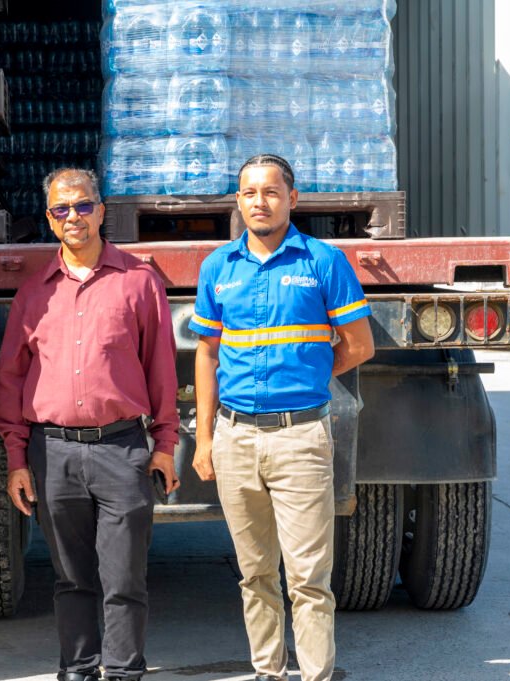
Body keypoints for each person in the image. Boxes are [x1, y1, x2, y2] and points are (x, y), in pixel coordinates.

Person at [189, 155, 375, 681]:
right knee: (255, 575)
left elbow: (360, 345)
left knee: (309, 579)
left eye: (271, 192)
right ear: (238, 201)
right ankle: (267, 672)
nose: (260, 202)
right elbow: (207, 354)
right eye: (249, 193)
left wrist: (309, 375)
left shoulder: (323, 261)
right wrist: (204, 440)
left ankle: (315, 675)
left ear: (292, 199)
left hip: (301, 438)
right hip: (235, 439)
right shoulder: (218, 268)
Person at [0, 167, 180, 681]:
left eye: (82, 205)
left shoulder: (138, 282)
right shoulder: (33, 294)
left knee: (124, 579)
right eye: (61, 209)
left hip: (122, 449)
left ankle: (123, 670)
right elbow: (10, 379)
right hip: (52, 454)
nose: (72, 216)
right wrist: (16, 459)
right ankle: (77, 668)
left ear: (100, 211)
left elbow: (162, 369)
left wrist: (165, 444)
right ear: (50, 219)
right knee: (71, 578)